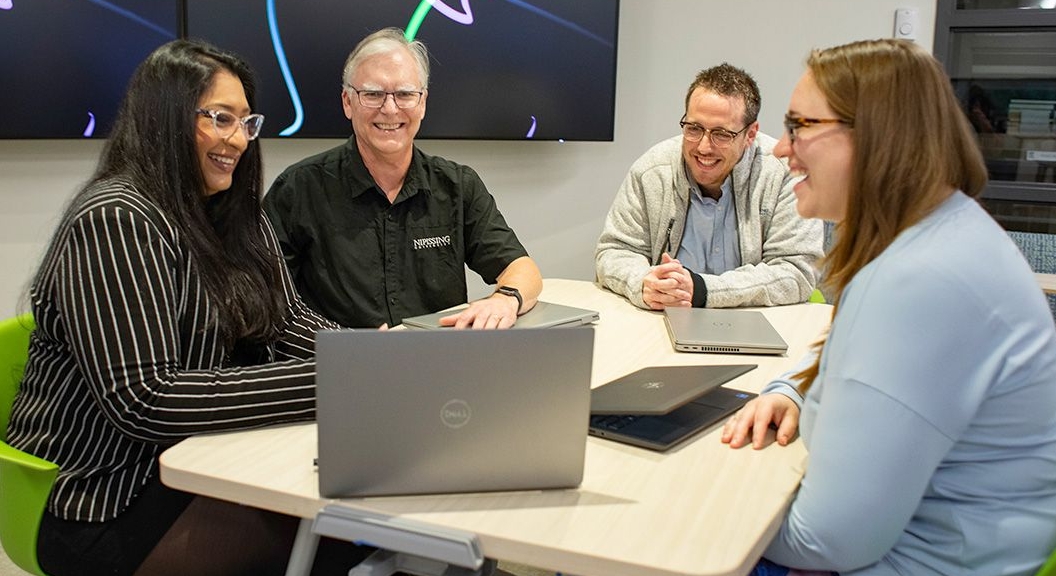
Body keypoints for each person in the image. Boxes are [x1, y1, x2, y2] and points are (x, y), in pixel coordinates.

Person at [5, 39, 370, 575]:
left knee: (357, 525)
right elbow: (146, 400)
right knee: (339, 538)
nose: (239, 141)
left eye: (247, 123)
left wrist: (368, 358)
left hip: (189, 465)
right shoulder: (117, 219)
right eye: (221, 119)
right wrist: (332, 379)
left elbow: (288, 321)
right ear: (165, 118)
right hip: (100, 499)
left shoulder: (231, 212)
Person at [721, 39, 1056, 575]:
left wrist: (699, 508)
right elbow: (863, 370)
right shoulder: (938, 234)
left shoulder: (921, 281)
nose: (780, 149)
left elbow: (827, 543)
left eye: (800, 125)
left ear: (876, 136)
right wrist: (793, 390)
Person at [263, 27, 542, 330]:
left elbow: (523, 270)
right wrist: (343, 344)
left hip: (437, 365)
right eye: (373, 94)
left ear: (422, 102)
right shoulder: (297, 190)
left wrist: (505, 300)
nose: (390, 109)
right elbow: (263, 301)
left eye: (405, 94)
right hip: (339, 367)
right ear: (347, 102)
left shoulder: (458, 186)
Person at [594, 63, 823, 310]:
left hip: (754, 322)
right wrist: (643, 283)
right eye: (694, 129)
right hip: (663, 319)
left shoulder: (783, 174)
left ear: (750, 134)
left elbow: (797, 270)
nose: (703, 147)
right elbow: (614, 250)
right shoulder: (652, 171)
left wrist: (703, 290)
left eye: (722, 134)